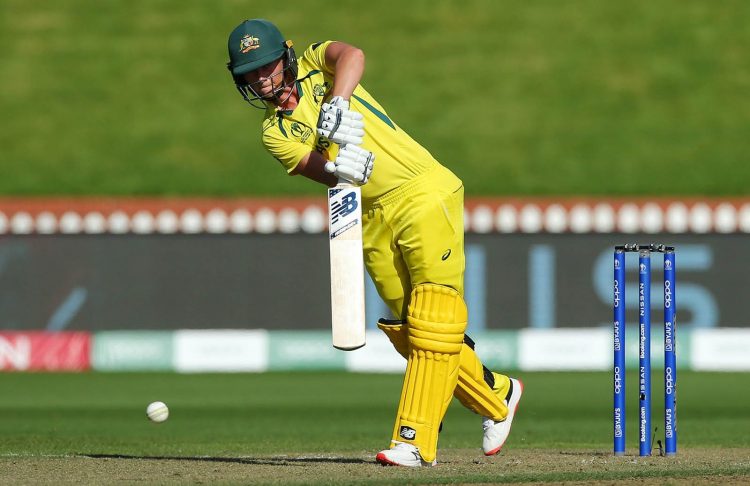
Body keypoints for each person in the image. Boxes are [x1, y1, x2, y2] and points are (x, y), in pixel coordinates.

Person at [226, 18, 523, 467]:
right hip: (368, 212)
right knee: (411, 331)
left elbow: (352, 55)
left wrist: (338, 101)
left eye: (266, 65)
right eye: (251, 72)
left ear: (283, 58)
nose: (262, 78)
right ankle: (497, 394)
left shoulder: (314, 63)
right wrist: (346, 171)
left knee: (433, 317)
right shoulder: (275, 133)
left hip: (422, 190)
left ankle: (413, 441)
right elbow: (321, 172)